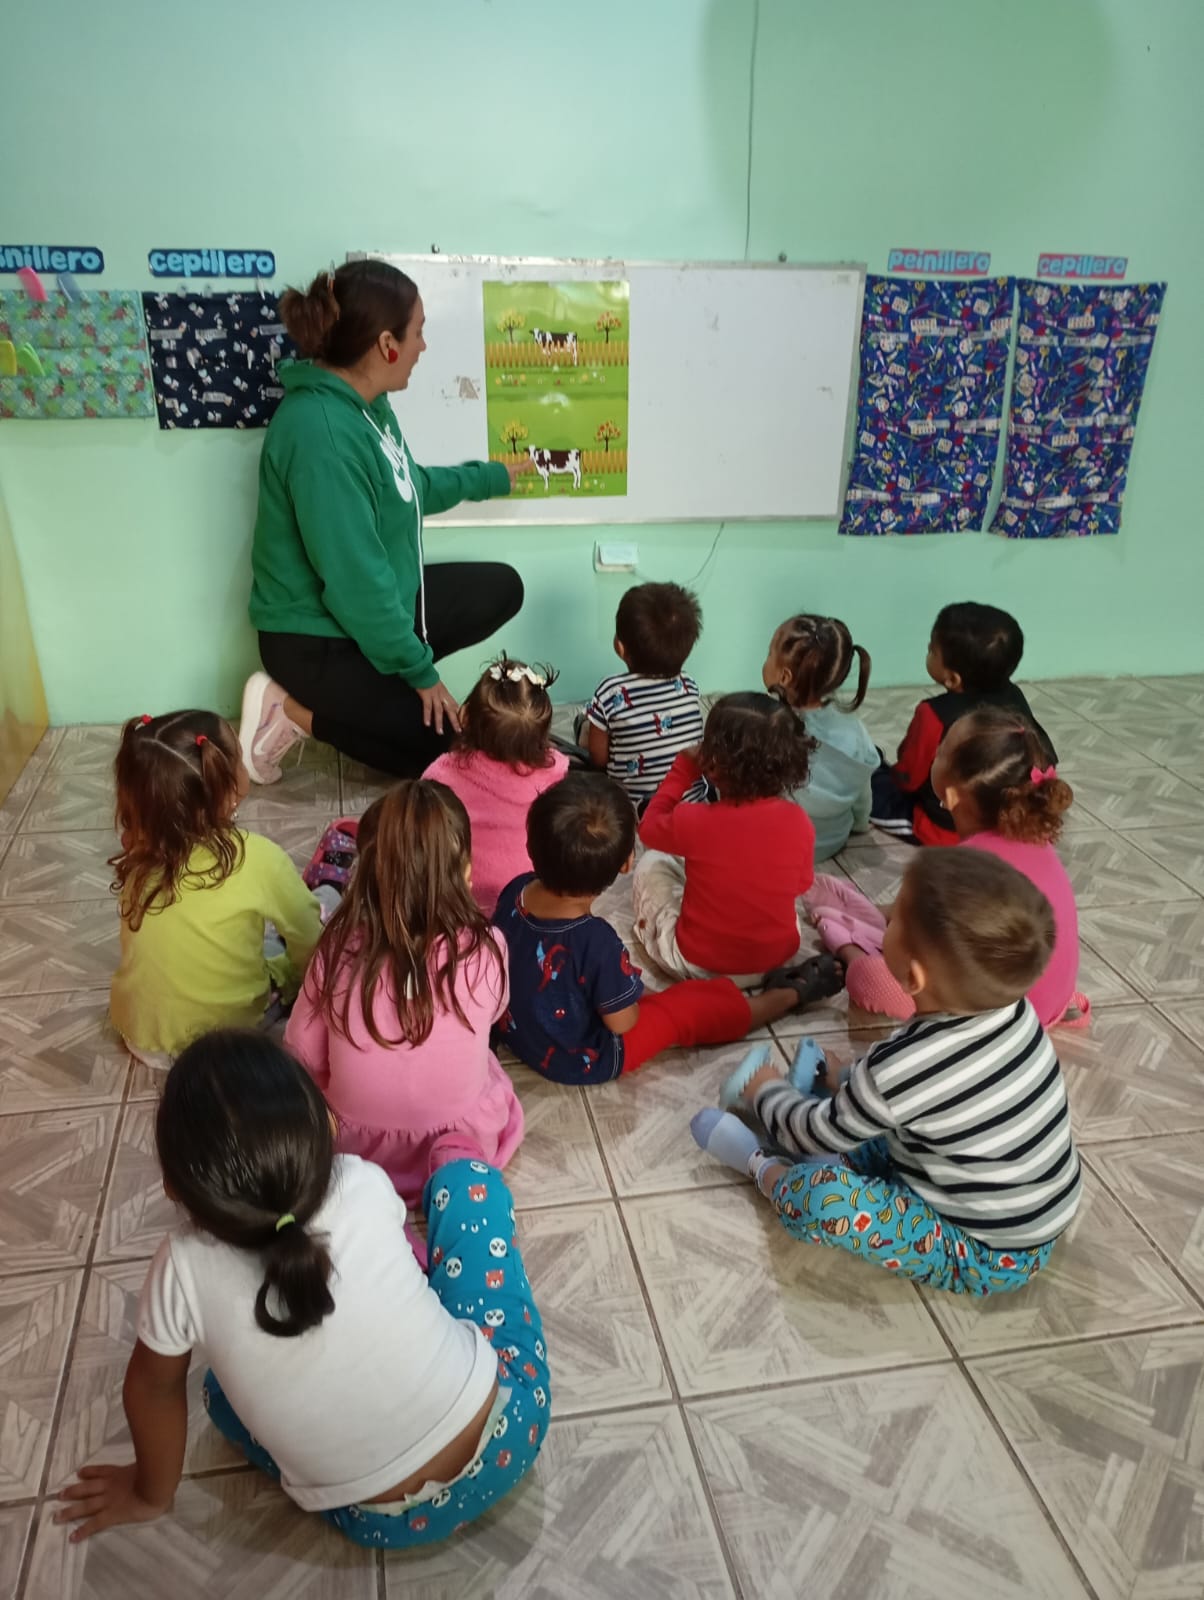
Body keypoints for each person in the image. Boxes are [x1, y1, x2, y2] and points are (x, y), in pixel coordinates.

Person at [54, 1031, 549, 1548]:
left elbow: (153, 1389)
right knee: (469, 1185)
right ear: (328, 1125)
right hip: (513, 1436)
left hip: (380, 1521)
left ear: (173, 1187)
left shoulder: (179, 1267)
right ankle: (459, 1168)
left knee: (218, 1396)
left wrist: (148, 1494)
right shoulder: (361, 1181)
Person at [691, 849, 1082, 1295]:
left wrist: (765, 1089)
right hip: (1032, 1211)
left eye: (892, 918)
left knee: (824, 1200)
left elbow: (814, 1134)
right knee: (863, 1118)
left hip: (984, 1252)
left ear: (913, 977)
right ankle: (829, 1136)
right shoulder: (1016, 1012)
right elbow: (932, 1095)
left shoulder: (906, 1066)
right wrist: (847, 1080)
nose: (884, 920)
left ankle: (762, 1168)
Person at [238, 259, 525, 783]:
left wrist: (489, 478)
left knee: (502, 588)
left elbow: (409, 488)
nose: (423, 346)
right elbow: (356, 582)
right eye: (418, 332)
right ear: (387, 345)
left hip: (365, 611)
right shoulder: (320, 434)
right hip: (314, 639)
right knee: (446, 757)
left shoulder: (369, 406)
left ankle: (379, 685)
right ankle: (290, 710)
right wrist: (421, 674)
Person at [492, 772, 840, 1085]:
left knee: (657, 994)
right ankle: (788, 997)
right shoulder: (595, 941)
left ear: (530, 846)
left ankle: (702, 995)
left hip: (517, 1030)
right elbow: (622, 1023)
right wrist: (635, 998)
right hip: (583, 1059)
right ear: (627, 863)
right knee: (684, 1011)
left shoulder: (514, 891)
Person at [285, 781, 522, 1211]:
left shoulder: (336, 948)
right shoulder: (487, 946)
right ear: (467, 873)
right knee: (484, 1062)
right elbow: (493, 1014)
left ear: (364, 876)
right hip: (462, 1135)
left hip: (353, 1150)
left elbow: (302, 1050)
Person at [807, 708, 1087, 1027]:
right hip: (1051, 1001)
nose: (935, 755)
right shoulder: (1033, 838)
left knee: (877, 978)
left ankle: (847, 945)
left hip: (1001, 1020)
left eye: (940, 752)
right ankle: (860, 919)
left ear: (952, 796)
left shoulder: (966, 864)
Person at [108, 711, 322, 1067]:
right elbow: (309, 942)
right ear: (230, 790)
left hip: (143, 1038)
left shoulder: (138, 853)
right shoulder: (259, 858)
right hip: (228, 1039)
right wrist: (299, 982)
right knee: (299, 928)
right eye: (239, 757)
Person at [633, 693, 830, 985]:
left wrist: (682, 769)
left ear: (711, 763)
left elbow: (648, 827)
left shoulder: (694, 820)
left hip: (699, 965)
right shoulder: (799, 821)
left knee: (651, 862)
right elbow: (801, 885)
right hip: (776, 960)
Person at [869, 601, 1055, 845]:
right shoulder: (1015, 697)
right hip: (1006, 821)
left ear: (953, 679)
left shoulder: (934, 714)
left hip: (946, 827)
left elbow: (908, 778)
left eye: (932, 650)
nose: (928, 651)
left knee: (868, 781)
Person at [423, 655, 568, 916]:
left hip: (464, 900)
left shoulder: (442, 774)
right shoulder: (556, 772)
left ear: (465, 716)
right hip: (529, 900)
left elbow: (420, 826)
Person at [583, 581, 707, 810]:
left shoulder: (610, 691)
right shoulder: (689, 685)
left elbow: (598, 758)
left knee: (589, 731)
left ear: (620, 647)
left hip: (635, 813)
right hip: (692, 810)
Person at [762, 612, 876, 860]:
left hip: (779, 844)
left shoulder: (765, 727)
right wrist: (860, 824)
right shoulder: (854, 728)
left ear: (784, 677)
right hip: (832, 841)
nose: (766, 659)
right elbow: (862, 791)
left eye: (769, 653)